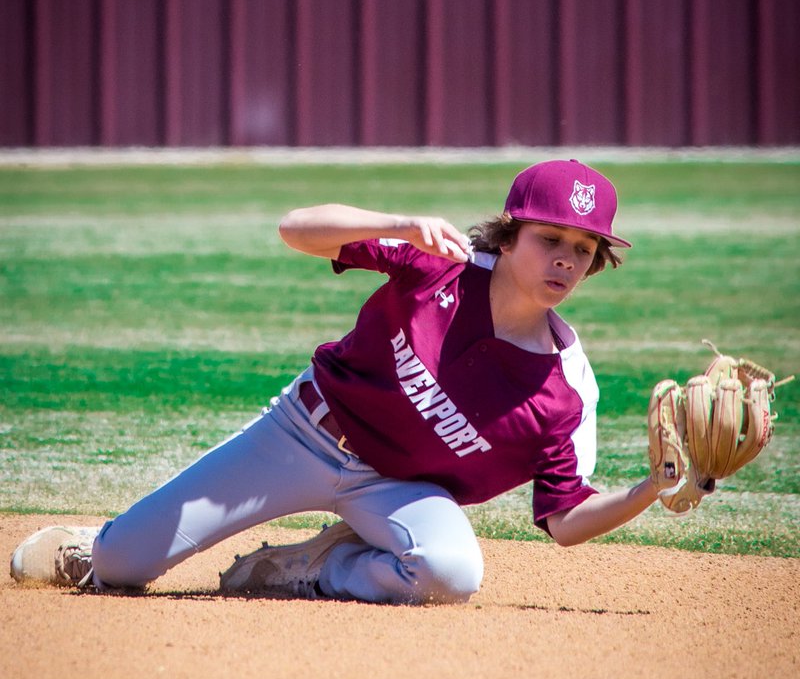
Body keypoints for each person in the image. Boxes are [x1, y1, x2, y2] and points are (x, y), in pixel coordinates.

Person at [11, 158, 666, 604]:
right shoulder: (439, 263)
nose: (564, 258)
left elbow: (565, 519)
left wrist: (654, 487)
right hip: (303, 434)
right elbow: (295, 228)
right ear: (512, 231)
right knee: (122, 568)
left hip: (400, 491)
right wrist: (396, 226)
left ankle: (313, 565)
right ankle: (93, 544)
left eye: (583, 248)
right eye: (549, 236)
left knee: (453, 574)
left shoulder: (565, 388)